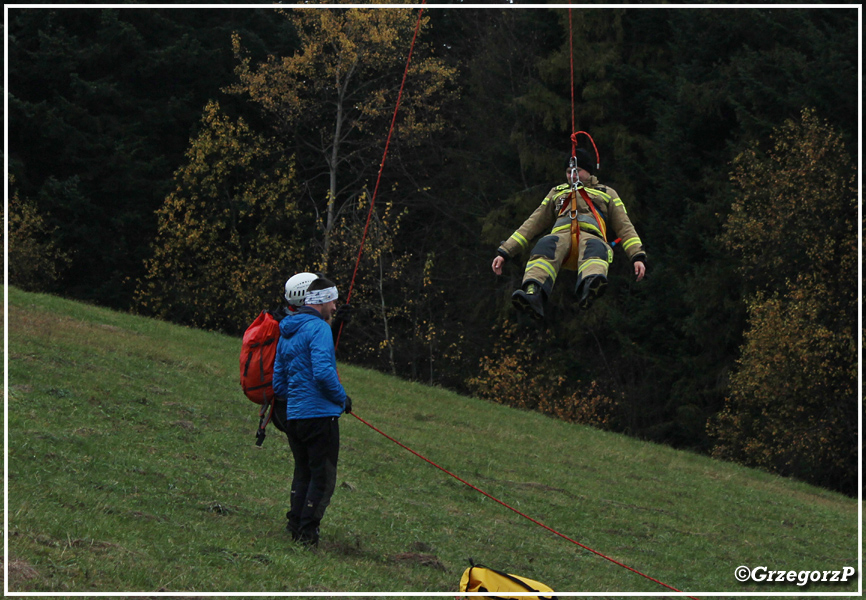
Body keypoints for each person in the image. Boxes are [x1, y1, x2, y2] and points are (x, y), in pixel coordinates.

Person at [492, 148, 647, 319]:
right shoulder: (557, 192)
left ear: (589, 170)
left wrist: (637, 256)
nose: (572, 176)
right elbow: (532, 224)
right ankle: (533, 292)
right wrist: (505, 252)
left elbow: (625, 227)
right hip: (560, 238)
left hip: (590, 236)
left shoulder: (606, 193)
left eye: (577, 171)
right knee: (544, 247)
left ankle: (591, 284)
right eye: (568, 171)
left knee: (596, 248)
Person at [272, 276, 353, 547]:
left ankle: (295, 522)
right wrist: (342, 399)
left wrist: (298, 401)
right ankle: (307, 533)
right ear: (322, 301)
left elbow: (279, 384)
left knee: (303, 472)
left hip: (293, 416)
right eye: (333, 300)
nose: (336, 306)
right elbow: (323, 373)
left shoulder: (287, 331)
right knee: (323, 477)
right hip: (320, 416)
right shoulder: (319, 330)